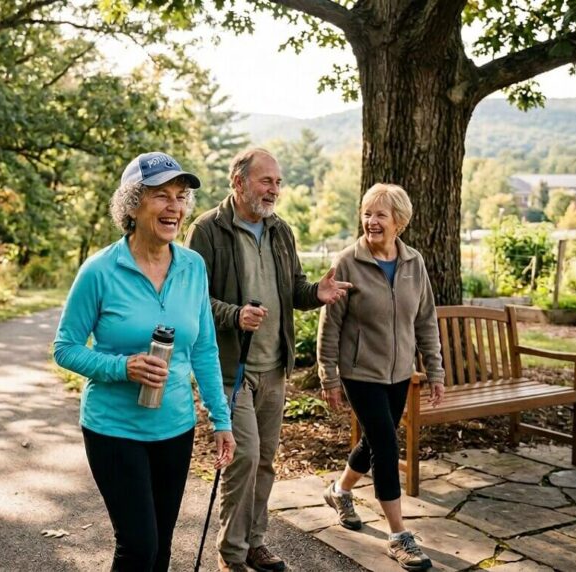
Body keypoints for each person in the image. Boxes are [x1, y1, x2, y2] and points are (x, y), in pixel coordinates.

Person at [53, 151, 236, 572]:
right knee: (138, 547)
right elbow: (65, 347)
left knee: (162, 548)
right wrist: (123, 367)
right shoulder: (99, 270)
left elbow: (204, 348)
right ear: (132, 205)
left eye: (180, 197)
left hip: (175, 426)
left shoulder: (193, 266)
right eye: (161, 196)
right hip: (114, 429)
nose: (174, 207)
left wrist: (221, 419)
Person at [186, 147, 351, 572]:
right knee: (243, 456)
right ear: (238, 183)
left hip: (273, 368)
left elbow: (293, 289)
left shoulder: (281, 231)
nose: (274, 190)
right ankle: (232, 554)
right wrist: (234, 315)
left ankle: (255, 542)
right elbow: (192, 299)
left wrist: (317, 293)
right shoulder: (207, 230)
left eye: (277, 182)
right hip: (229, 368)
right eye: (266, 181)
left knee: (264, 460)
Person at [317, 183, 446, 571]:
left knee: (375, 443)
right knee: (387, 447)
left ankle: (339, 491)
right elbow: (330, 326)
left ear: (399, 223)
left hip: (399, 373)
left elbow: (425, 320)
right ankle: (398, 535)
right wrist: (329, 377)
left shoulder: (414, 263)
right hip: (360, 373)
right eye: (367, 213)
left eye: (380, 215)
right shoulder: (347, 263)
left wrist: (435, 370)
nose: (371, 222)